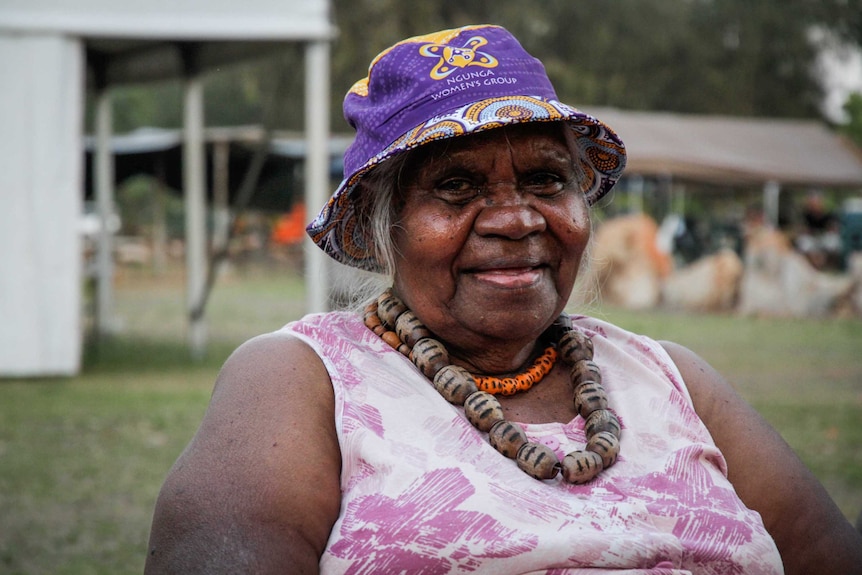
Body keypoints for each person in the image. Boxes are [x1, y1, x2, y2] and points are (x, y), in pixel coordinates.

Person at [144, 25, 862, 574]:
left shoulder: (669, 375)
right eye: (456, 186)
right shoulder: (301, 378)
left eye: (547, 180)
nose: (517, 217)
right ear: (379, 225)